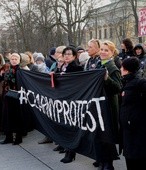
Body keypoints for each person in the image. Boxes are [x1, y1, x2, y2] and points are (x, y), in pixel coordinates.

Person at [86, 40, 122, 170]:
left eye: (106, 50)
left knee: (107, 135)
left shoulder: (112, 68)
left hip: (108, 106)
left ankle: (109, 163)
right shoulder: (97, 64)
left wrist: (107, 78)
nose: (103, 52)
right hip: (97, 105)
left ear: (112, 53)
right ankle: (101, 160)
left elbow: (118, 88)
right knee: (98, 134)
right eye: (102, 49)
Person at [57, 46, 83, 163]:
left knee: (71, 126)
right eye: (65, 54)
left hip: (72, 101)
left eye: (69, 54)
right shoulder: (62, 66)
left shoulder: (77, 67)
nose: (67, 56)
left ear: (74, 56)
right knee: (64, 125)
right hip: (62, 99)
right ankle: (65, 146)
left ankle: (70, 152)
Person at [120, 57, 146, 170]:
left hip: (136, 128)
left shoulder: (140, 83)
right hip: (127, 128)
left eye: (122, 67)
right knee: (129, 156)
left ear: (126, 69)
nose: (120, 68)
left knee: (136, 157)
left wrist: (135, 118)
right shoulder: (126, 81)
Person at [0, 53, 23, 145]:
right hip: (7, 96)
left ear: (19, 60)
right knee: (7, 117)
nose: (13, 60)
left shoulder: (21, 70)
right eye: (12, 59)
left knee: (17, 118)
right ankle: (8, 137)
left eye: (16, 59)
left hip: (17, 97)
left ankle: (18, 138)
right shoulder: (8, 70)